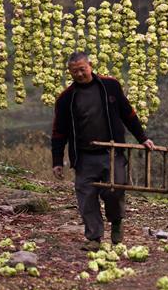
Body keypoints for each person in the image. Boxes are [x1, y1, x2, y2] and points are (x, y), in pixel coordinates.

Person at [52, 52, 155, 249]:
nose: (80, 74)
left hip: (112, 152)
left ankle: (116, 222)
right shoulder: (66, 99)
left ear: (90, 65)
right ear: (69, 72)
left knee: (114, 191)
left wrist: (142, 138)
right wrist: (57, 161)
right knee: (86, 196)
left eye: (83, 69)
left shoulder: (110, 86)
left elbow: (128, 113)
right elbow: (59, 132)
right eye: (75, 71)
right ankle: (94, 238)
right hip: (84, 156)